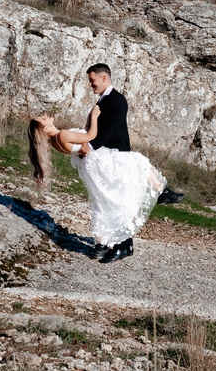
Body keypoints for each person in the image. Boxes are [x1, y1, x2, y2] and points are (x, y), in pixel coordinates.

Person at [26, 62, 164, 261]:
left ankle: (109, 242)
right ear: (44, 128)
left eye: (91, 81)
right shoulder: (62, 134)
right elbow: (91, 135)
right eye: (44, 119)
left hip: (90, 166)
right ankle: (158, 192)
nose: (47, 116)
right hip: (99, 160)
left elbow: (84, 137)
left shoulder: (56, 140)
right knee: (133, 171)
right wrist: (95, 116)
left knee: (105, 203)